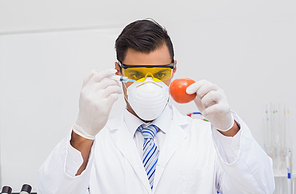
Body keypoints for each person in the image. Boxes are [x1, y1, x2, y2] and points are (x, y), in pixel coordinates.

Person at [38, 19, 275, 194]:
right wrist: (83, 131)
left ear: (174, 70)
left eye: (160, 73)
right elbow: (52, 190)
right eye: (138, 74)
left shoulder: (205, 138)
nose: (149, 85)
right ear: (118, 72)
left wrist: (228, 129)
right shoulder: (94, 145)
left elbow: (260, 189)